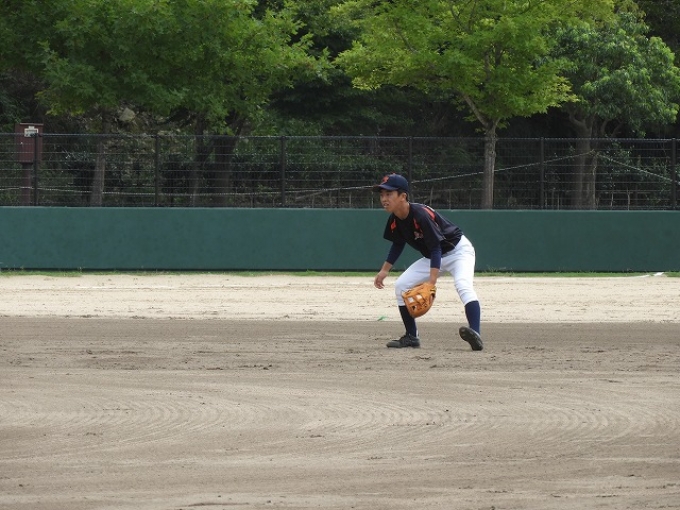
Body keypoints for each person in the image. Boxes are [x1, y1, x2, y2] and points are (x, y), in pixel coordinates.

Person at [372, 173, 483, 351]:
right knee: (401, 285)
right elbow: (398, 244)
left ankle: (475, 334)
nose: (384, 198)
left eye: (389, 194)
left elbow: (436, 247)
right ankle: (411, 337)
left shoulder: (420, 215)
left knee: (463, 285)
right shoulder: (394, 220)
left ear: (403, 196)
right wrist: (384, 270)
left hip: (458, 251)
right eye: (382, 194)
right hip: (434, 256)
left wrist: (431, 282)